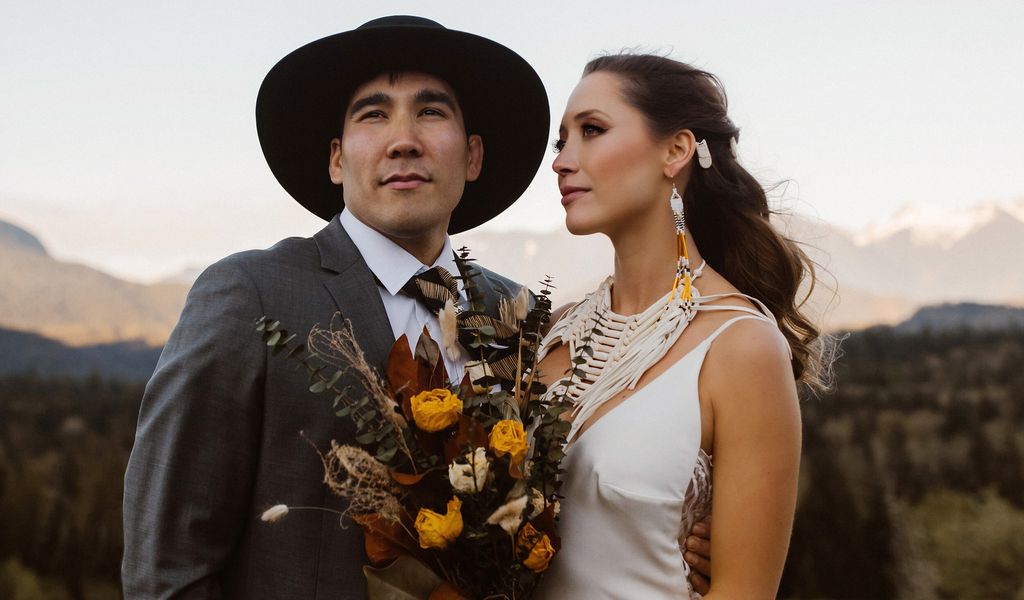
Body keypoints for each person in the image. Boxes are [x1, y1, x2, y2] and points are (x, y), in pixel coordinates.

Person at [121, 16, 714, 599]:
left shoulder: (523, 318)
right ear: (335, 159)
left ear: (473, 156)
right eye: (373, 114)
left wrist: (676, 542)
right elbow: (166, 564)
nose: (403, 138)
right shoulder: (250, 295)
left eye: (431, 112)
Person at [534, 53, 825, 599]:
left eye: (592, 130)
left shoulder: (740, 346)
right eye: (561, 141)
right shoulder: (551, 335)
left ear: (676, 150)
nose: (562, 161)